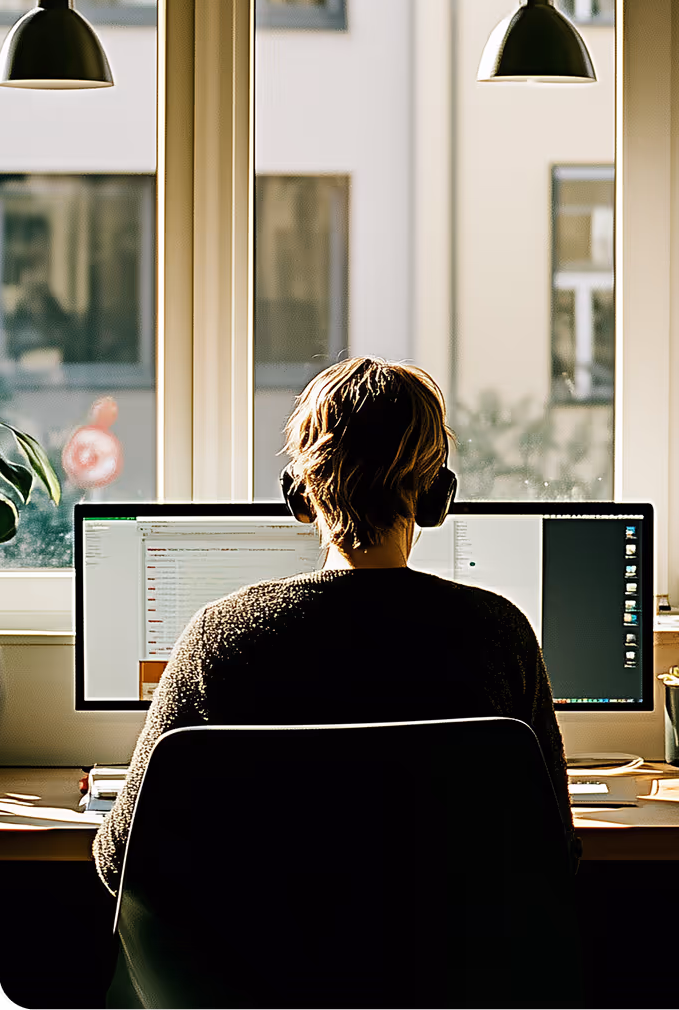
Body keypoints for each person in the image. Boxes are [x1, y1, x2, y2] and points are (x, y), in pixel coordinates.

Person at [92, 355, 582, 896]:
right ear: (435, 496)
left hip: (261, 978)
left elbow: (121, 857)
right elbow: (553, 849)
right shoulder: (499, 635)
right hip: (456, 978)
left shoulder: (223, 637)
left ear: (299, 495)